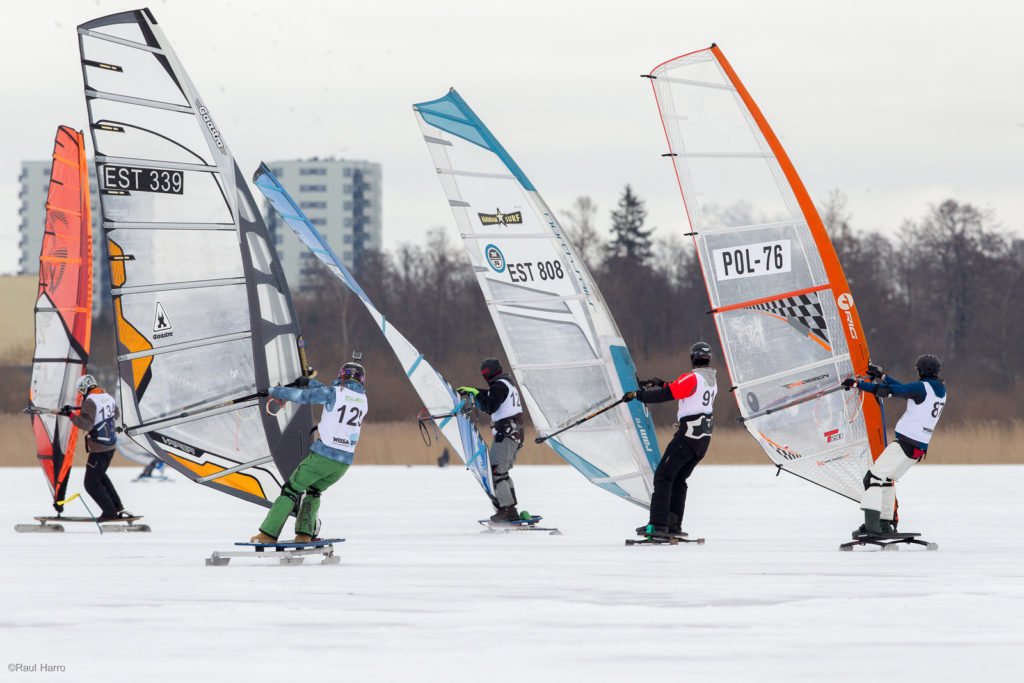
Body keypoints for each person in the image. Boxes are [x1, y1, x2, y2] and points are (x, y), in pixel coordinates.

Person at [250, 356, 368, 544]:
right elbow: (327, 392)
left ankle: (268, 534)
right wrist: (308, 382)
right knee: (313, 491)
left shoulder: (334, 393)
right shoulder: (362, 399)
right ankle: (304, 534)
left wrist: (274, 391)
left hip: (323, 458)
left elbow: (304, 396)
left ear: (341, 376)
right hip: (343, 464)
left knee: (291, 489)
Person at [842, 354, 946, 537]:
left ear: (921, 371)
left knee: (872, 478)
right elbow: (905, 389)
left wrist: (857, 384)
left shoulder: (921, 388)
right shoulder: (940, 389)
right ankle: (885, 524)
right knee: (886, 479)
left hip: (905, 444)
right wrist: (883, 376)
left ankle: (872, 527)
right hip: (917, 449)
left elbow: (890, 391)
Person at [624, 342, 717, 538]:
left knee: (663, 476)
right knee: (678, 479)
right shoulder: (711, 380)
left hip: (687, 438)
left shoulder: (693, 378)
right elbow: (680, 390)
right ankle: (674, 525)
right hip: (702, 441)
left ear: (693, 358)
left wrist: (639, 395)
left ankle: (657, 525)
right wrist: (660, 383)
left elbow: (670, 393)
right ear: (708, 359)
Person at [457, 357, 524, 523]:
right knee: (501, 472)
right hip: (515, 435)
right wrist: (475, 391)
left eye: (485, 373)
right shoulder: (506, 383)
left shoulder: (500, 385)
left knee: (495, 472)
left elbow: (490, 405)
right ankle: (511, 509)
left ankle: (507, 511)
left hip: (506, 435)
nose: (484, 376)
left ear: (491, 372)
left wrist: (476, 394)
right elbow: (490, 396)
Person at [61, 374, 132, 522]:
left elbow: (86, 425)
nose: (81, 395)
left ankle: (110, 512)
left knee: (91, 484)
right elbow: (116, 414)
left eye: (81, 392)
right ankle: (118, 507)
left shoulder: (89, 401)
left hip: (99, 449)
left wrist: (71, 415)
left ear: (84, 388)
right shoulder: (107, 396)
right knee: (101, 477)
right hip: (110, 447)